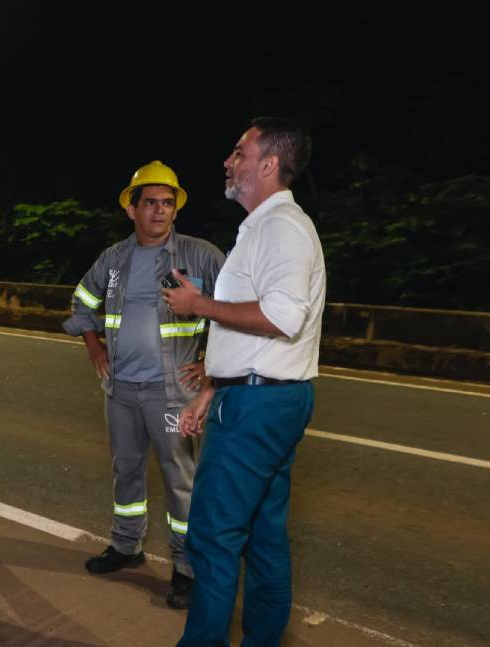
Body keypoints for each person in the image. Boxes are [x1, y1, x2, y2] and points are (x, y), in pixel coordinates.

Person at [163, 117, 325, 646]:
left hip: (259, 406)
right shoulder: (262, 227)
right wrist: (212, 387)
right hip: (261, 396)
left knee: (212, 536)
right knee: (263, 536)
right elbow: (255, 331)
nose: (228, 161)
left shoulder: (282, 228)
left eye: (239, 152)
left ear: (269, 164)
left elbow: (282, 317)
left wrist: (197, 304)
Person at [63, 161, 224, 609]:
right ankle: (126, 545)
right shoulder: (113, 260)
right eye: (150, 202)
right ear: (131, 210)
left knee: (181, 481)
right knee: (126, 471)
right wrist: (94, 349)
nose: (159, 210)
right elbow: (81, 303)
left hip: (172, 391)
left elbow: (234, 311)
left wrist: (214, 364)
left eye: (167, 203)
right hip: (122, 389)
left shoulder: (201, 256)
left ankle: (187, 568)